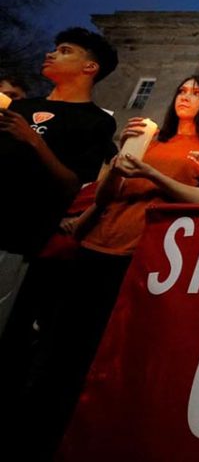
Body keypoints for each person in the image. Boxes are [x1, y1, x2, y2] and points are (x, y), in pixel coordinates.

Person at [10, 75, 199, 458]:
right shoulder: (151, 138)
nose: (186, 97)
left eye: (197, 93)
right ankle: (28, 430)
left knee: (103, 347)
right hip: (97, 242)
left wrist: (151, 173)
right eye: (181, 90)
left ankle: (79, 434)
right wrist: (118, 165)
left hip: (144, 255)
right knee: (56, 343)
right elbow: (104, 194)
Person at [0, 27, 118, 338]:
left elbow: (72, 184)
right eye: (55, 48)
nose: (51, 54)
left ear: (90, 67)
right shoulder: (18, 108)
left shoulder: (95, 121)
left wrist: (32, 140)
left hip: (22, 237)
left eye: (65, 51)